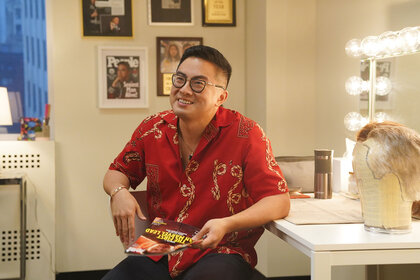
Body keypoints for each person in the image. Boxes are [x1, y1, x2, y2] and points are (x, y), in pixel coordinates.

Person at [102, 45, 290, 280]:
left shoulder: (246, 133)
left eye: (198, 83)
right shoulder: (152, 128)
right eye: (180, 79)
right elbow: (116, 172)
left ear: (221, 96)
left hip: (220, 249)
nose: (184, 90)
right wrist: (119, 193)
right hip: (160, 246)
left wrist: (226, 224)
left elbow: (278, 200)